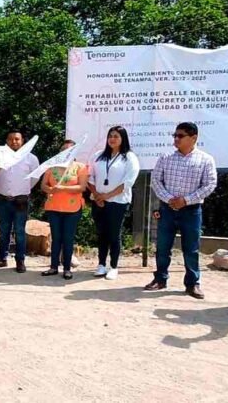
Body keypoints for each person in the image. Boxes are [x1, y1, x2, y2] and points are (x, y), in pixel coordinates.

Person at [145, 122, 217, 299]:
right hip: (167, 209)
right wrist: (170, 199)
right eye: (174, 135)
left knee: (191, 249)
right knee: (162, 246)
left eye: (180, 135)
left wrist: (186, 200)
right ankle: (160, 279)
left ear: (193, 138)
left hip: (191, 211)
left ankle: (192, 284)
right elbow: (156, 181)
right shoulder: (165, 157)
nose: (176, 139)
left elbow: (210, 185)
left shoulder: (205, 159)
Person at [87, 126, 140, 280]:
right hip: (98, 201)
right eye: (110, 136)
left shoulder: (129, 157)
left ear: (123, 138)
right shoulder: (98, 156)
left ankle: (114, 266)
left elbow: (128, 182)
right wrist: (97, 196)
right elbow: (90, 177)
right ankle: (101, 264)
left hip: (118, 202)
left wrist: (107, 196)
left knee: (114, 234)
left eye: (116, 136)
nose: (112, 139)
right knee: (101, 233)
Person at [0, 129, 39, 273]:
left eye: (17, 139)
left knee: (19, 231)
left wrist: (22, 190)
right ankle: (2, 258)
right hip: (3, 200)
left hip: (21, 201)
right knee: (4, 230)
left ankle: (20, 261)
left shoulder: (31, 158)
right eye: (11, 139)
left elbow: (35, 178)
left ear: (22, 141)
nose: (14, 142)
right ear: (7, 141)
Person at [40, 140, 88, 280]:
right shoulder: (52, 167)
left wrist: (62, 188)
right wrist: (50, 189)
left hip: (72, 209)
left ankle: (67, 268)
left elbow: (82, 187)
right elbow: (43, 185)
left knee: (68, 238)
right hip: (53, 207)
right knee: (56, 238)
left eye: (70, 150)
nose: (67, 152)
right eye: (64, 150)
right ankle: (53, 267)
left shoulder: (80, 167)